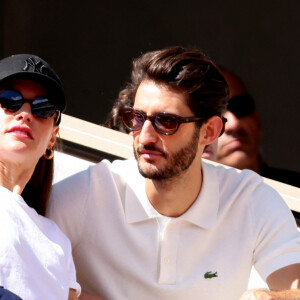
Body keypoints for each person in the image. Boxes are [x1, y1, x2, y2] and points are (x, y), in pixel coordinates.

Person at [48, 46, 300, 300]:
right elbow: (22, 276)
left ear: (210, 131)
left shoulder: (251, 200)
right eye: (136, 118)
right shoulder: (88, 193)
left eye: (166, 121)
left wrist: (266, 298)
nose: (145, 136)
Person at [0, 54, 81, 300]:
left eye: (42, 107)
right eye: (9, 100)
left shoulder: (57, 243)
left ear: (52, 138)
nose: (25, 113)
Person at [217, 68, 300, 188]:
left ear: (257, 119)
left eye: (241, 106)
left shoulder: (295, 192)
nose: (234, 124)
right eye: (215, 113)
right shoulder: (184, 204)